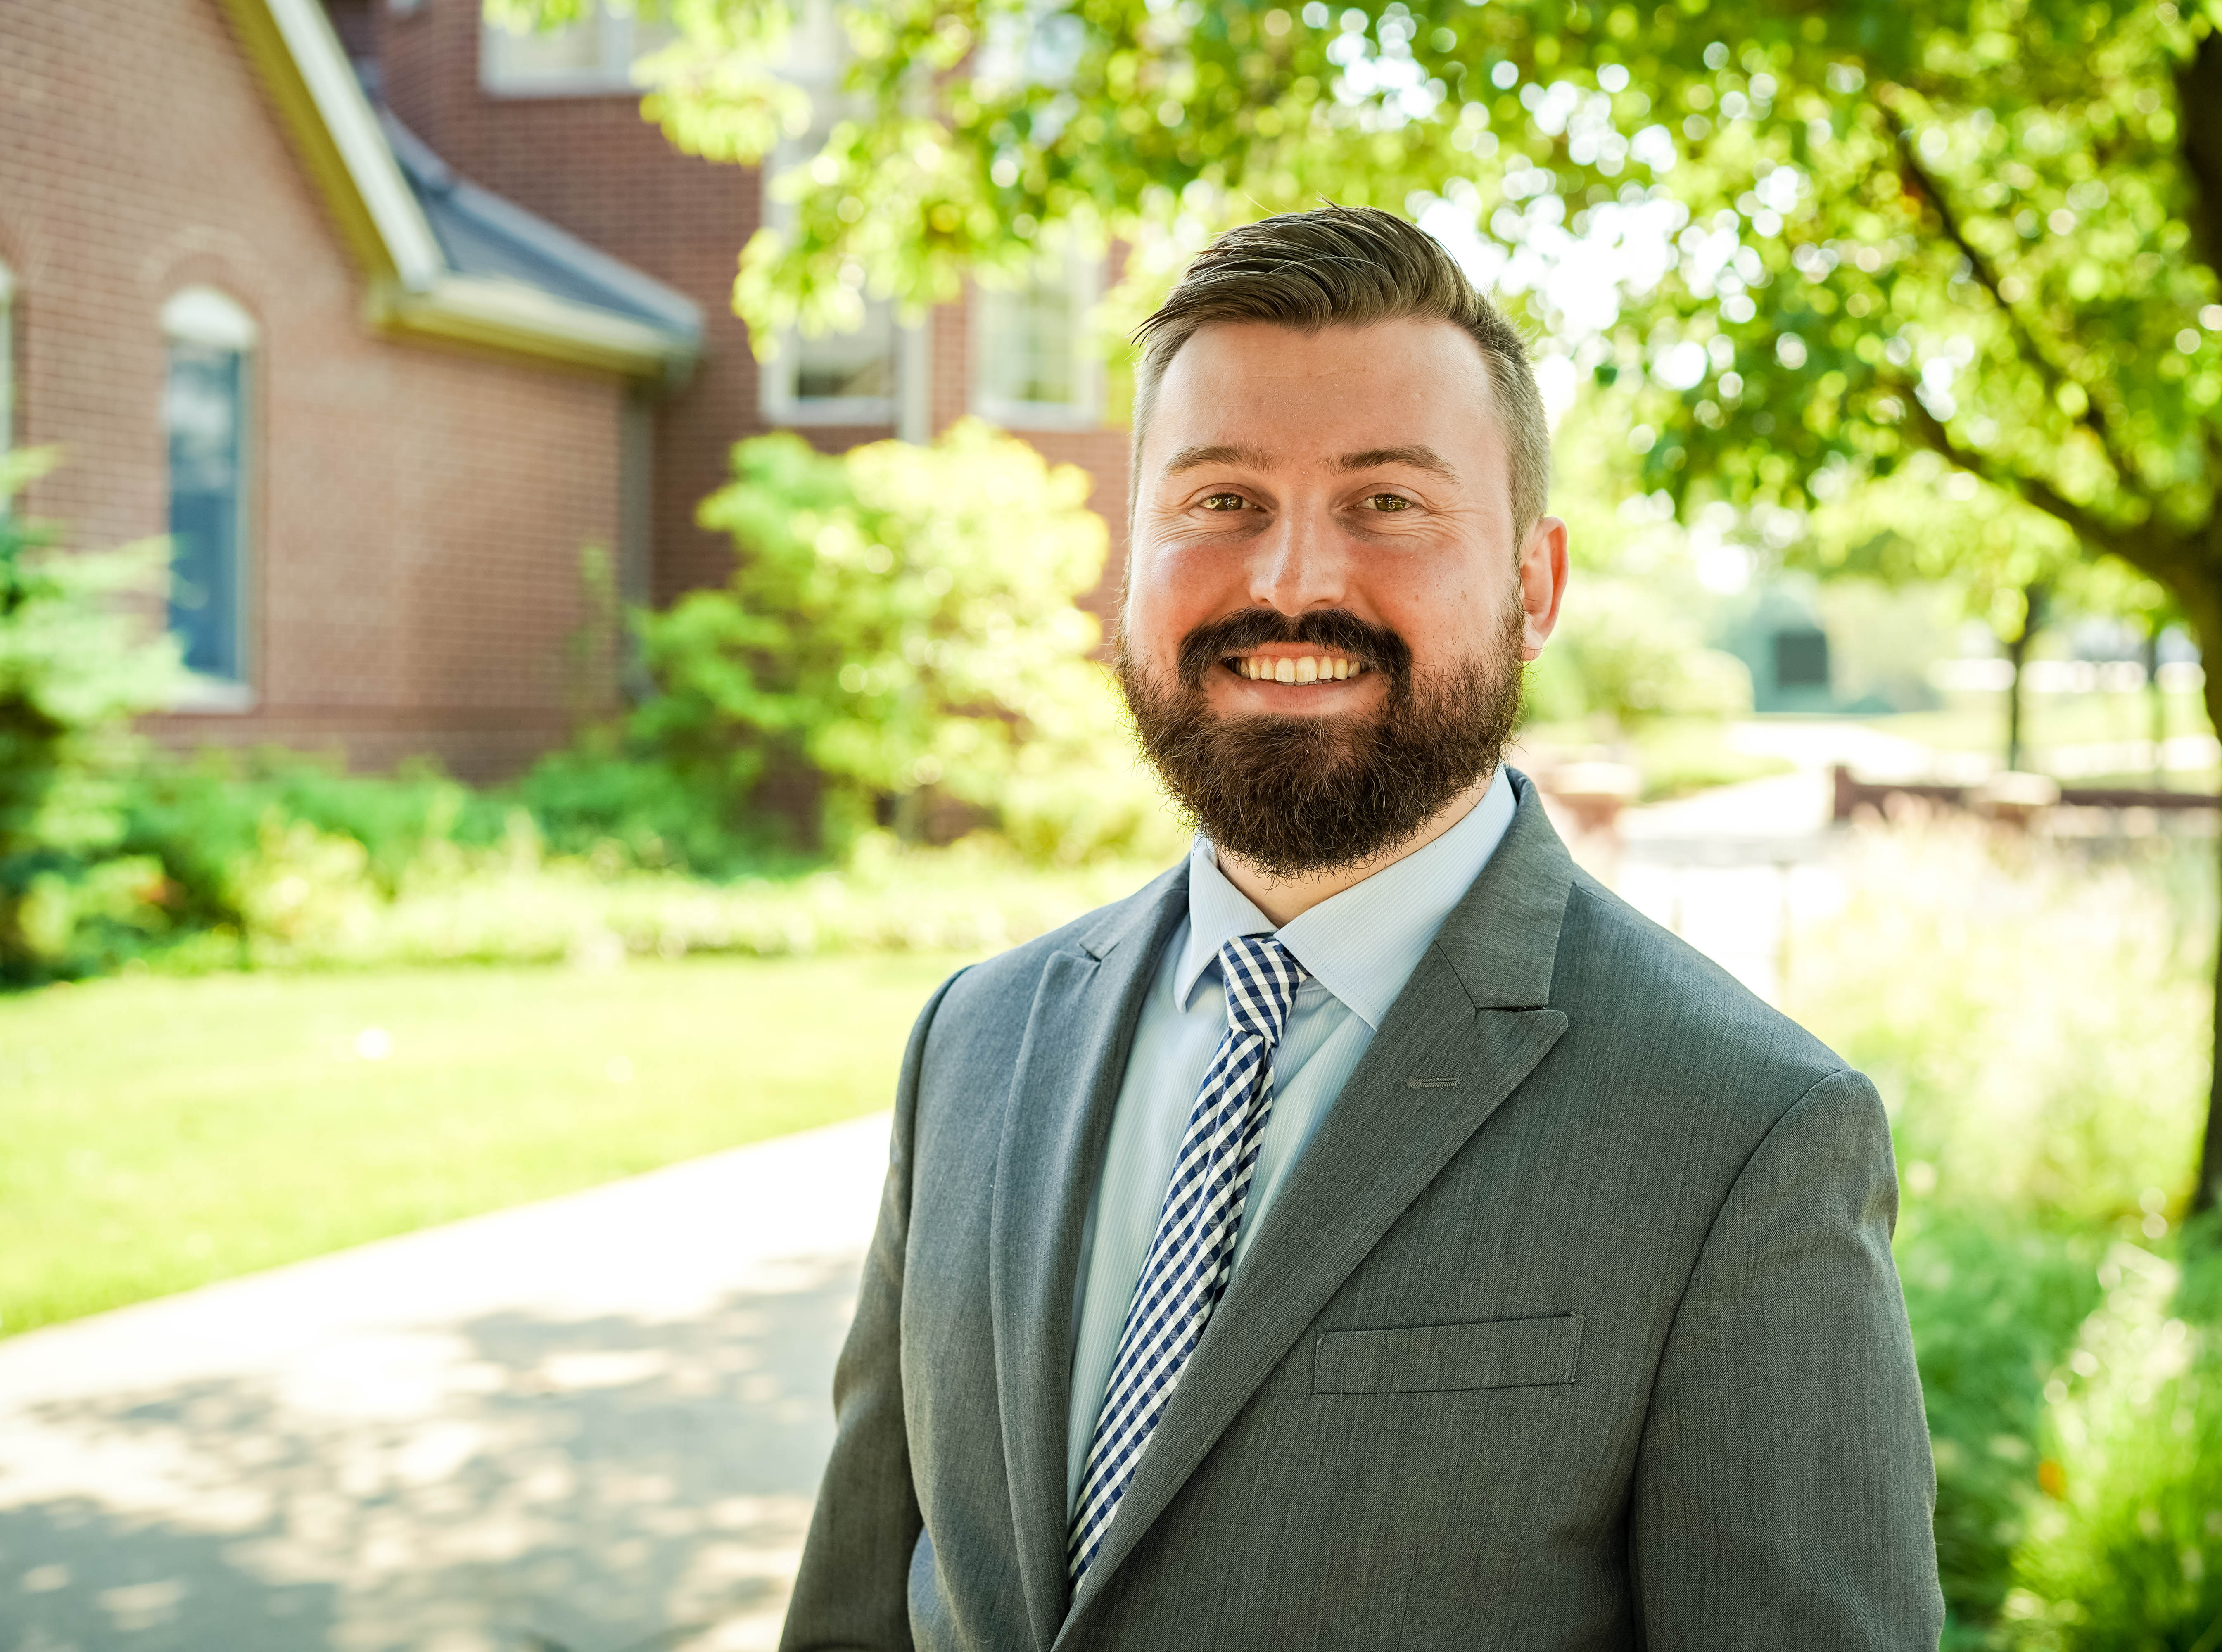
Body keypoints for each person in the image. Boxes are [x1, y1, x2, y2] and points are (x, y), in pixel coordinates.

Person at [779, 205, 1941, 1652]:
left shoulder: (1743, 1135)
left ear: (1535, 587)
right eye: (1221, 501)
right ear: (1129, 567)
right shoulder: (973, 1044)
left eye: (1386, 502)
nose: (1291, 583)